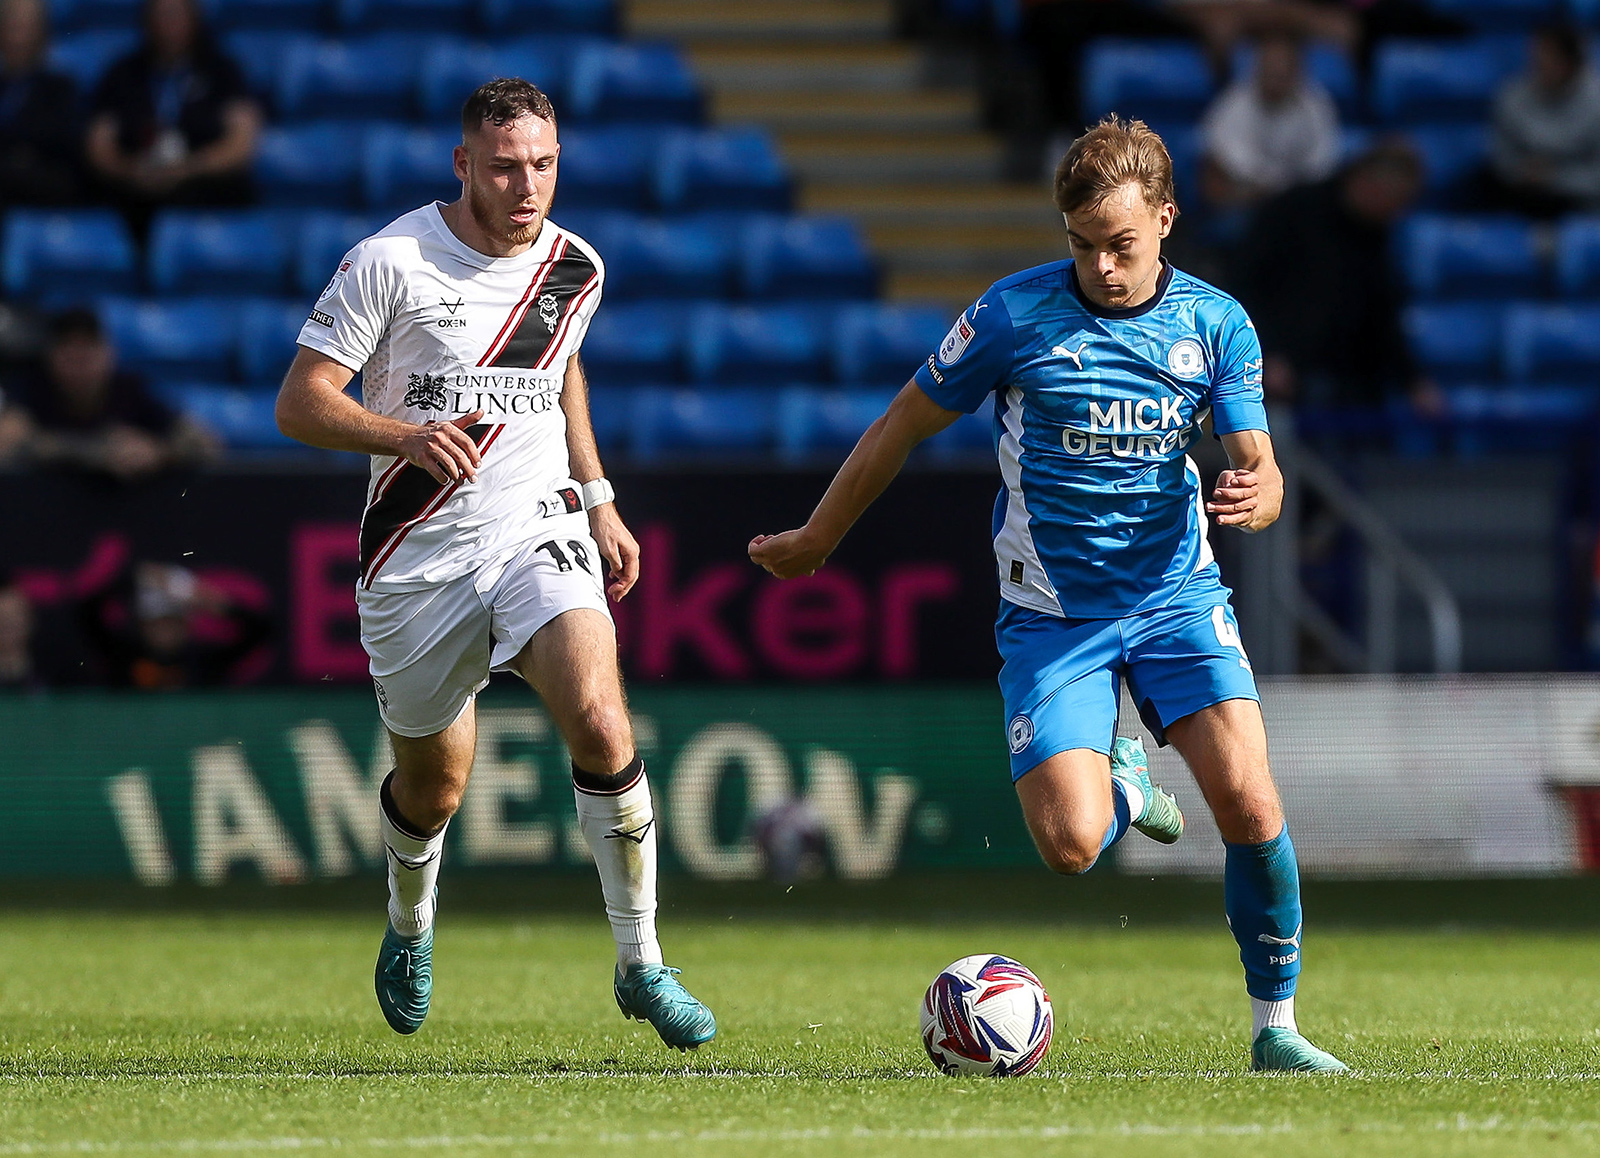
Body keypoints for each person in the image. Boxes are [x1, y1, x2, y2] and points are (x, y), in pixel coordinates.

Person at [751, 116, 1347, 1074]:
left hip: (1175, 599)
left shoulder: (1216, 323)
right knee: (1071, 848)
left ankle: (1275, 1027)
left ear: (1165, 218)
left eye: (1121, 245)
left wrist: (1264, 492)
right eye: (1082, 246)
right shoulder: (1013, 316)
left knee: (1249, 803)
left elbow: (1258, 462)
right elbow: (901, 425)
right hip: (1052, 620)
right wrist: (820, 536)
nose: (1103, 267)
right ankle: (1123, 780)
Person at [273, 78, 715, 1049]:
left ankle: (641, 962)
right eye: (506, 165)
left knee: (600, 719)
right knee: (433, 789)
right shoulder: (388, 263)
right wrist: (400, 433)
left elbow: (559, 366)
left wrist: (596, 496)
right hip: (416, 557)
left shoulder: (576, 267)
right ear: (463, 164)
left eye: (544, 165)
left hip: (534, 526)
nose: (527, 185)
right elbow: (300, 402)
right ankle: (409, 923)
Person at [1232, 139, 1437, 413]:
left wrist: (1412, 382)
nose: (1395, 212)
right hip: (1279, 378)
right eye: (1391, 200)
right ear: (1365, 181)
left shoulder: (1377, 235)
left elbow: (1382, 313)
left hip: (1350, 386)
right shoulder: (1293, 210)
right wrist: (1262, 355)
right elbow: (1243, 286)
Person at [85, 0, 260, 237]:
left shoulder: (222, 71)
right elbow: (99, 144)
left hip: (202, 186)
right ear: (147, 21)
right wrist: (130, 170)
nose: (168, 25)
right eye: (161, 16)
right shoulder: (123, 73)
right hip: (136, 189)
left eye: (176, 15)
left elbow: (241, 142)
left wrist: (188, 168)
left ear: (193, 19)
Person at [1, 307, 217, 479]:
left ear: (109, 354)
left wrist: (157, 452)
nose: (80, 368)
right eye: (70, 358)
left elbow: (204, 443)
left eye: (87, 356)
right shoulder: (32, 389)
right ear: (51, 358)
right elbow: (7, 445)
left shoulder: (131, 390)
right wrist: (96, 452)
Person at [1200, 30, 1340, 209]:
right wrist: (1266, 185)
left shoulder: (1317, 106)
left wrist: (1289, 188)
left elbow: (1322, 161)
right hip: (1248, 196)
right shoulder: (1232, 103)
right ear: (1259, 68)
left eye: (1282, 71)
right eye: (1270, 69)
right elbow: (1226, 156)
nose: (1275, 76)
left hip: (1300, 197)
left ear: (1296, 71)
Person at [79, 561, 271, 689]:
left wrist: (218, 604)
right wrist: (135, 577)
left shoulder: (206, 662)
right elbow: (86, 613)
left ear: (186, 625)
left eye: (172, 621)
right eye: (156, 621)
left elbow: (262, 630)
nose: (164, 630)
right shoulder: (121, 657)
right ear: (142, 625)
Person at [1485, 22, 1600, 219]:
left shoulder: (1595, 103)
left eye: (1550, 59)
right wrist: (1521, 172)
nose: (1541, 66)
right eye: (1537, 60)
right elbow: (1500, 158)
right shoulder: (1512, 96)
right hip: (1522, 196)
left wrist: (1554, 177)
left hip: (1580, 204)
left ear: (1571, 62)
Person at [0, 0, 83, 209]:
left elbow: (59, 138)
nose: (18, 38)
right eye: (12, 27)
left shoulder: (60, 88)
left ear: (43, 34)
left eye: (27, 28)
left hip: (41, 193)